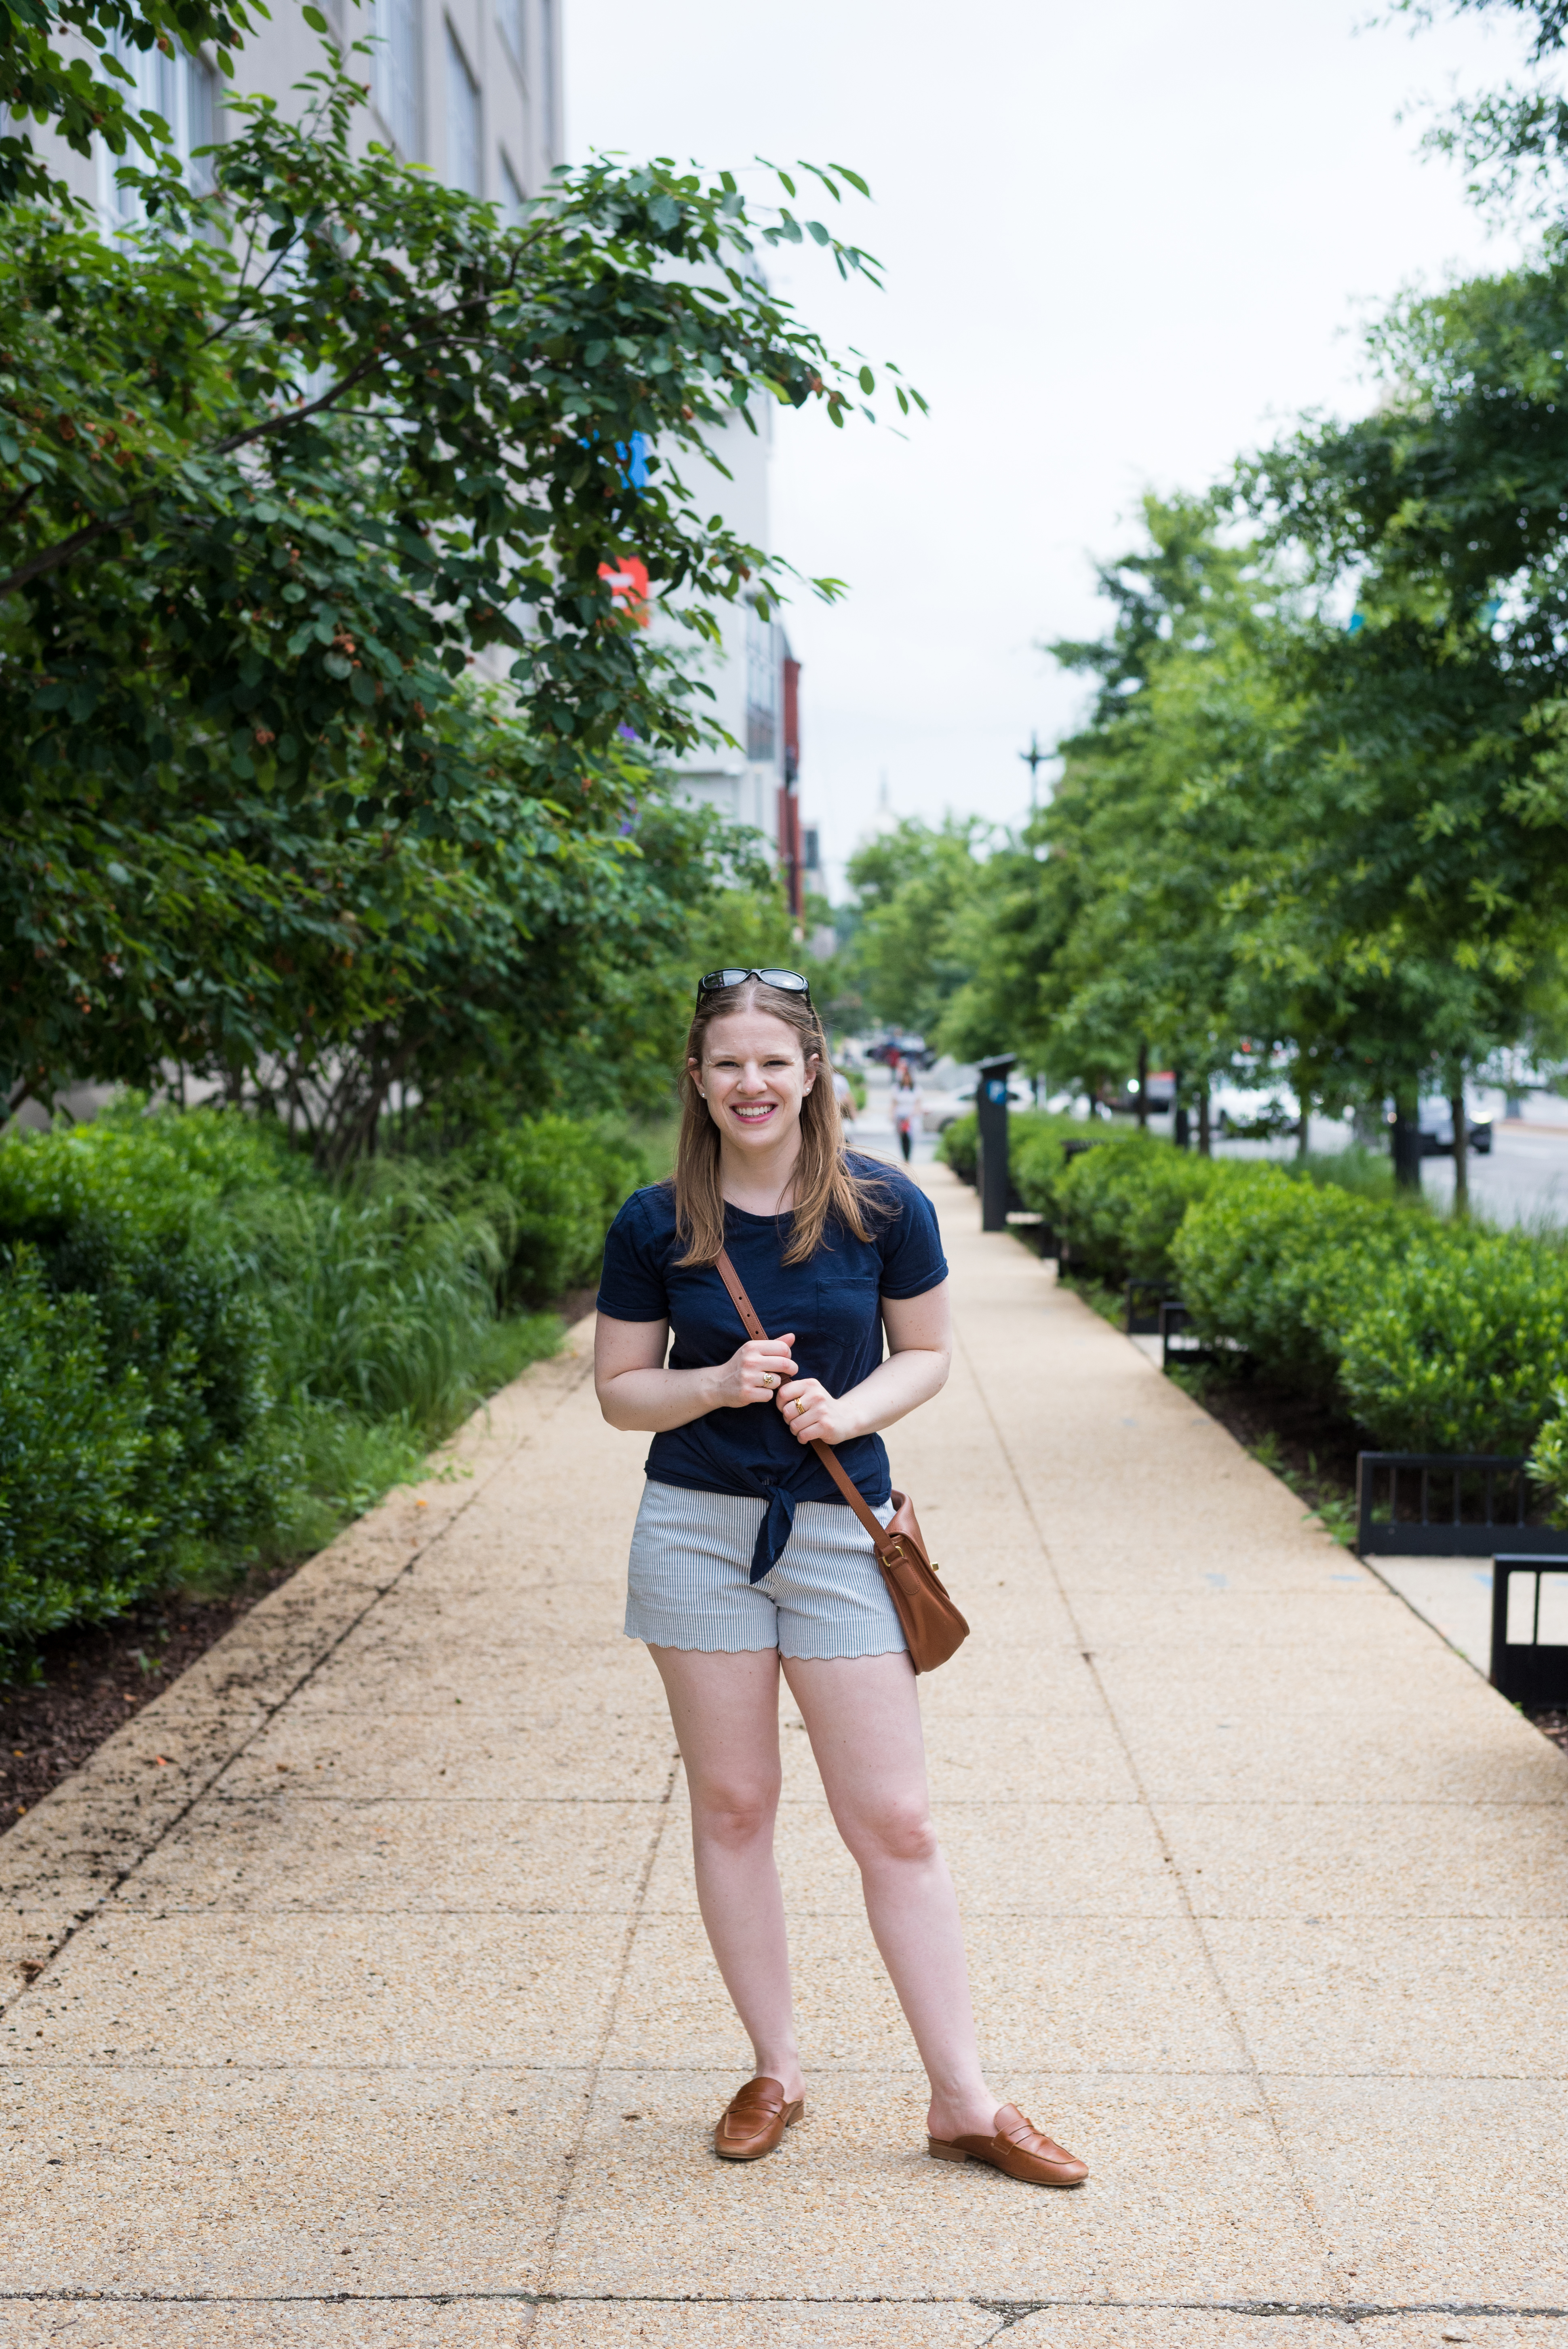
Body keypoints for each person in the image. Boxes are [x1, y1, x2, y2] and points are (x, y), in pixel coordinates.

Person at [592, 966, 1087, 2187]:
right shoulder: (655, 1222)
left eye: (773, 1060)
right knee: (736, 1805)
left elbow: (927, 1354)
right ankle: (776, 2067)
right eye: (727, 1063)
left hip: (834, 1526)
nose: (751, 1082)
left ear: (813, 1070)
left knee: (897, 1820)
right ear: (697, 1081)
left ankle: (964, 2097)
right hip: (696, 1526)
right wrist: (712, 1382)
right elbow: (618, 1388)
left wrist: (843, 1404)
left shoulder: (883, 1206)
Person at [890, 1063, 921, 1165]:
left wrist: (911, 1115)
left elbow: (918, 1104)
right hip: (900, 1117)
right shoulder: (897, 1089)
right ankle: (904, 1158)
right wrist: (892, 1115)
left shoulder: (916, 1089)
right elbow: (894, 1104)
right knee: (902, 1138)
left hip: (911, 1118)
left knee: (910, 1138)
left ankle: (909, 1158)